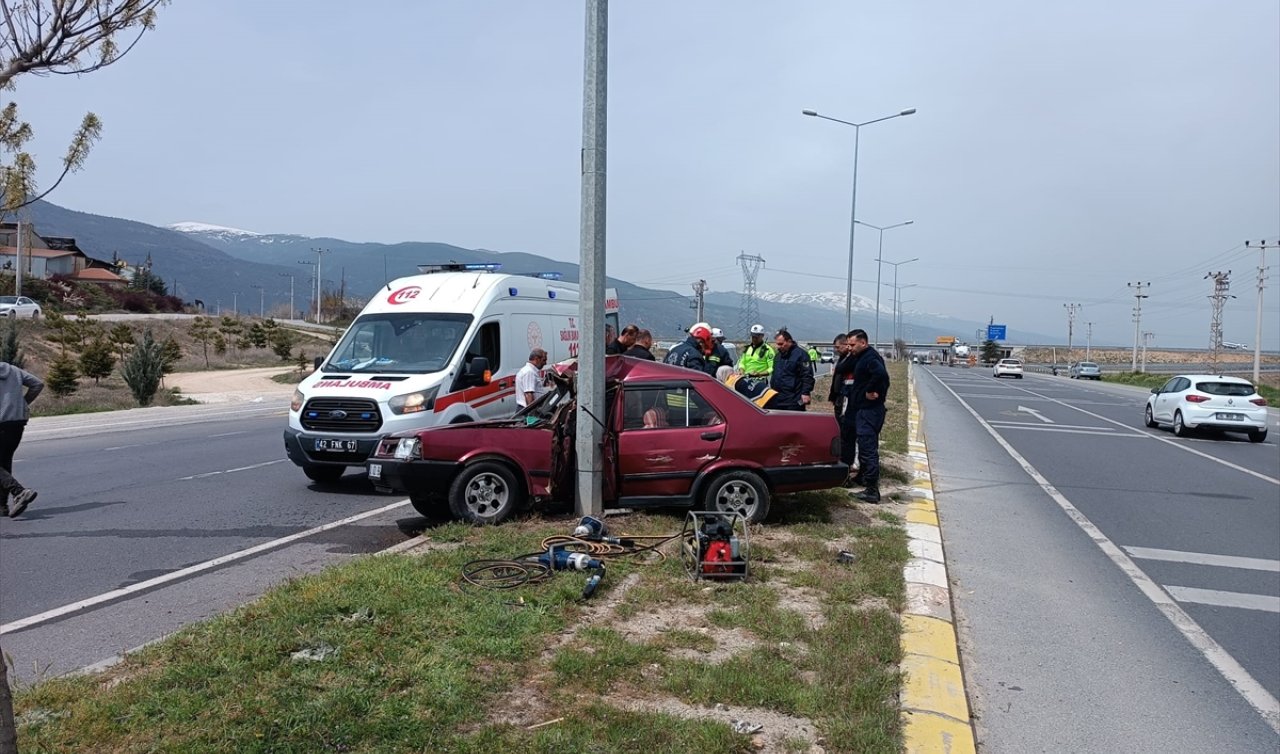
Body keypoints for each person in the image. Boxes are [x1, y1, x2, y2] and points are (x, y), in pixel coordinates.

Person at [843, 329, 890, 503]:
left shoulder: (870, 358)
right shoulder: (861, 357)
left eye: (853, 345)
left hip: (870, 411)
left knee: (868, 449)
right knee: (863, 447)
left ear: (863, 343)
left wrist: (871, 390)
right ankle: (863, 478)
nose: (850, 348)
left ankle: (872, 490)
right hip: (863, 409)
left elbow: (881, 375)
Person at [0, 361, 42, 518]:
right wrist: (23, 403)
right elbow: (37, 384)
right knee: (4, 463)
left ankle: (19, 491)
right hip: (17, 423)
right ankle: (2, 506)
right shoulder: (11, 369)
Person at [831, 332, 862, 486]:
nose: (838, 350)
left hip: (851, 402)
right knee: (843, 433)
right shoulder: (846, 358)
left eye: (850, 346)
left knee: (849, 436)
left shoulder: (853, 359)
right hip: (841, 399)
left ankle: (850, 468)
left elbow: (842, 370)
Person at [768, 329, 814, 411]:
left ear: (789, 341)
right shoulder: (778, 356)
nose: (778, 347)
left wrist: (805, 393)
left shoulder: (801, 355)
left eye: (781, 344)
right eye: (777, 344)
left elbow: (807, 376)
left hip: (793, 400)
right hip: (777, 398)